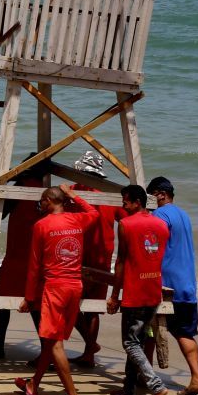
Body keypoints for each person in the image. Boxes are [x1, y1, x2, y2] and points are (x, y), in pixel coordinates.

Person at [16, 184, 98, 395]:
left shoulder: (41, 225)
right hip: (75, 287)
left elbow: (34, 266)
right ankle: (34, 385)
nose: (40, 205)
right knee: (52, 341)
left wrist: (29, 297)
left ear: (49, 201)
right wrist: (74, 197)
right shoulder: (77, 220)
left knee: (54, 344)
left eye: (42, 201)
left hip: (55, 288)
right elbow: (95, 213)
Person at [106, 185, 171, 395]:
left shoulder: (125, 225)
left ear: (136, 202)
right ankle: (129, 388)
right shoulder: (161, 225)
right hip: (153, 288)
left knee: (130, 343)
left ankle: (156, 385)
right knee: (139, 340)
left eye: (125, 201)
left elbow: (121, 262)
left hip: (135, 291)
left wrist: (114, 295)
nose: (123, 205)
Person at [147, 175, 198, 395]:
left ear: (160, 194)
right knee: (185, 332)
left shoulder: (160, 215)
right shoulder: (184, 215)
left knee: (153, 329)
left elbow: (153, 247)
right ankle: (196, 377)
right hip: (187, 284)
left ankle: (149, 376)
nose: (150, 201)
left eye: (151, 196)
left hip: (167, 284)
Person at [0, 160, 50, 360]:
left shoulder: (20, 190)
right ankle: (45, 349)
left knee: (3, 300)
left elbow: (3, 212)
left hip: (16, 254)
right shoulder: (47, 194)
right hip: (38, 257)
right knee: (35, 304)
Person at [71, 149, 124, 368]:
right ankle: (89, 352)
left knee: (69, 304)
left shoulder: (74, 191)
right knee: (93, 308)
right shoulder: (111, 195)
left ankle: (90, 345)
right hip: (103, 257)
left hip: (78, 257)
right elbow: (126, 220)